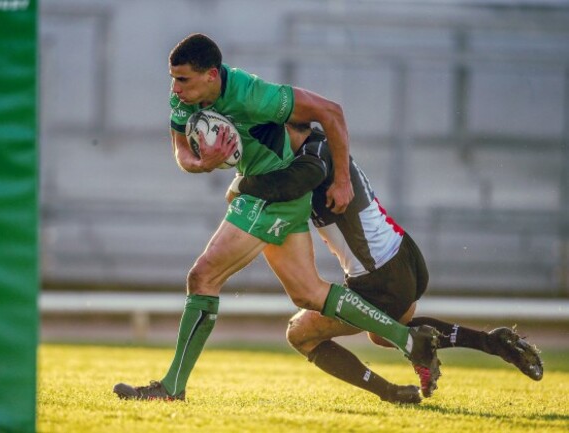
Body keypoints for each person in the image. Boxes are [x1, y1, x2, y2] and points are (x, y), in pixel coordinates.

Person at [113, 33, 441, 404]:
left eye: (183, 79)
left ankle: (172, 387)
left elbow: (330, 112)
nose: (175, 88)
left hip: (270, 194)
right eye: (173, 78)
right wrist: (201, 163)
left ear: (211, 76)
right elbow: (179, 151)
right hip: (266, 193)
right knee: (308, 292)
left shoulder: (253, 94)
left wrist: (342, 179)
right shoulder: (183, 97)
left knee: (203, 276)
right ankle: (410, 339)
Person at [225, 121, 544, 401]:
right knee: (384, 333)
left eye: (272, 137)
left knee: (300, 334)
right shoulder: (326, 146)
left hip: (379, 277)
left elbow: (288, 185)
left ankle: (390, 391)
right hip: (405, 256)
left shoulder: (311, 159)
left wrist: (242, 184)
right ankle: (492, 342)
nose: (270, 146)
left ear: (288, 129)